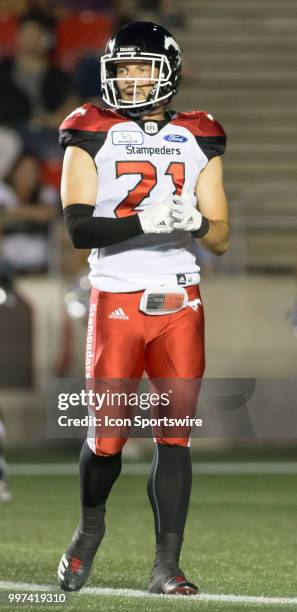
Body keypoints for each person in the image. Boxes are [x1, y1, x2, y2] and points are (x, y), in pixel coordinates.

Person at [57, 21, 229, 596]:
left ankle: (167, 566)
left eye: (142, 68)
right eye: (122, 68)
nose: (131, 79)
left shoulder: (198, 134)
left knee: (175, 435)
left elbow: (222, 236)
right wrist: (143, 222)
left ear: (169, 73)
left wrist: (196, 222)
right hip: (116, 294)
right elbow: (80, 228)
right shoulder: (91, 129)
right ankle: (88, 530)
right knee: (107, 439)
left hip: (181, 295)